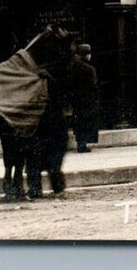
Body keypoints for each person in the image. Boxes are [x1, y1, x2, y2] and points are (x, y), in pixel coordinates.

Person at [26, 48, 73, 198]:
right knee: (45, 162)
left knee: (42, 162)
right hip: (45, 127)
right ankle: (49, 189)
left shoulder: (45, 81)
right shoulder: (49, 79)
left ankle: (41, 190)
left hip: (47, 127)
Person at [70, 44, 100, 153]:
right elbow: (94, 85)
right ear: (86, 55)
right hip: (88, 100)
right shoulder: (90, 69)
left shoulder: (73, 67)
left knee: (79, 121)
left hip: (76, 99)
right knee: (87, 121)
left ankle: (80, 143)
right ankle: (83, 144)